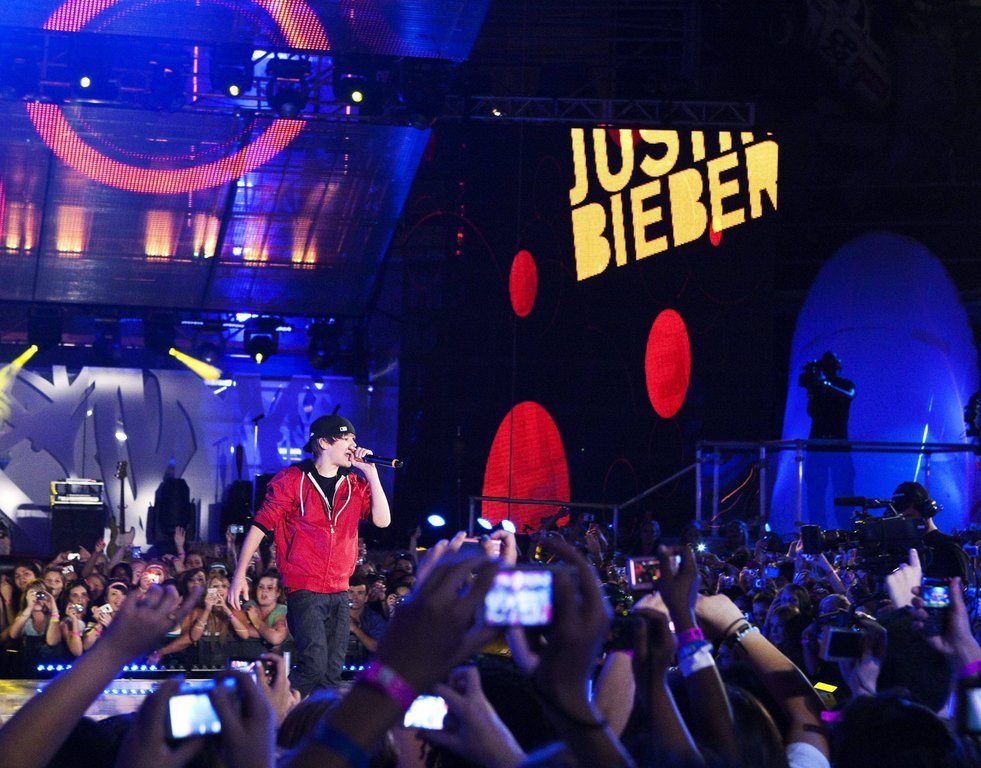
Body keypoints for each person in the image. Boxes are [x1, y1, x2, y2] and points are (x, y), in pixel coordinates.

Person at [229, 414, 391, 696]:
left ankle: (312, 721)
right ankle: (267, 708)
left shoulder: (354, 484)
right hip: (305, 589)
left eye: (354, 439)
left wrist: (372, 474)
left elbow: (382, 520)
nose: (353, 445)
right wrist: (240, 574)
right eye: (346, 438)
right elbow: (260, 525)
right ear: (324, 442)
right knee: (313, 665)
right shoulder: (293, 480)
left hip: (339, 589)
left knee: (331, 673)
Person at [800, 351, 856, 529]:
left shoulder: (844, 385)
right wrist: (817, 387)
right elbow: (813, 411)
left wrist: (825, 384)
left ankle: (846, 531)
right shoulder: (817, 388)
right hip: (818, 447)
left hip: (838, 446)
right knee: (816, 493)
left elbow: (849, 394)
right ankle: (818, 532)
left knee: (843, 491)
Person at [891, 480, 970, 582]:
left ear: (926, 511)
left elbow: (959, 589)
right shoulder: (899, 549)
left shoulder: (950, 549)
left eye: (908, 517)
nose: (904, 523)